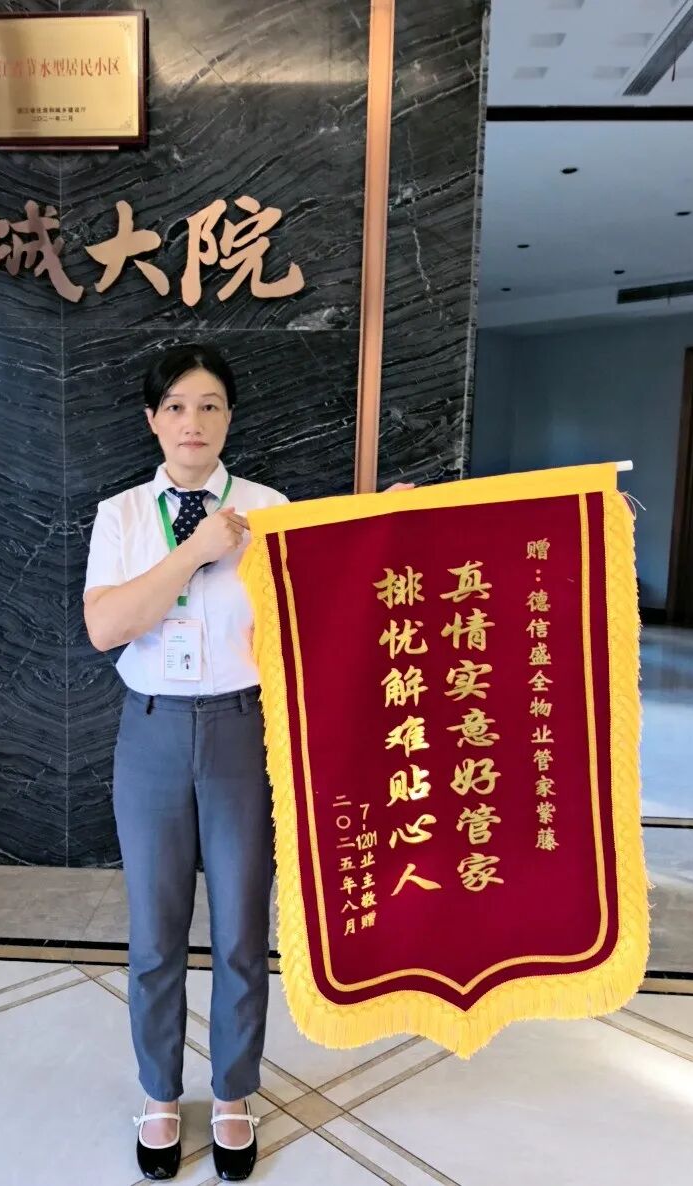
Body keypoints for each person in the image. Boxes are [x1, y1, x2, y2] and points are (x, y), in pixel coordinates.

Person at [84, 343, 409, 1181]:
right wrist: (196, 550)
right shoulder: (121, 515)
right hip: (151, 733)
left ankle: (232, 1093)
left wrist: (382, 526)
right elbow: (107, 626)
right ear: (152, 420)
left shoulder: (269, 508)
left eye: (210, 406)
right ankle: (160, 1094)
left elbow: (321, 603)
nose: (192, 422)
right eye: (176, 406)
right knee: (155, 934)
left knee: (238, 930)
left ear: (229, 419)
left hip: (242, 731)